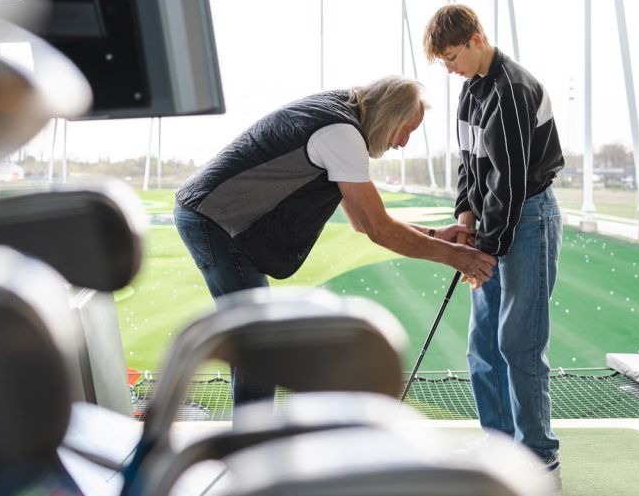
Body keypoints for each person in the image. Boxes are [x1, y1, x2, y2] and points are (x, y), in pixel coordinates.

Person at [175, 75, 496, 408]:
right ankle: (249, 453)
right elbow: (377, 227)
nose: (403, 142)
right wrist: (455, 257)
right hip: (214, 220)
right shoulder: (342, 134)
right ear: (388, 114)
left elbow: (360, 220)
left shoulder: (341, 115)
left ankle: (250, 445)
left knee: (258, 344)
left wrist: (435, 235)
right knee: (258, 346)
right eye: (406, 129)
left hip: (211, 217)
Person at [423, 4, 565, 484]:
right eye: (443, 61)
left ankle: (539, 459)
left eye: (451, 57)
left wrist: (481, 252)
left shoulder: (512, 89)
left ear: (476, 38)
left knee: (519, 343)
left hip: (527, 220)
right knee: (482, 341)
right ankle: (499, 445)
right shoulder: (471, 93)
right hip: (492, 223)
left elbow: (511, 182)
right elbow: (470, 166)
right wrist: (464, 218)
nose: (448, 69)